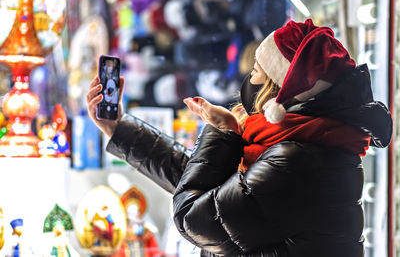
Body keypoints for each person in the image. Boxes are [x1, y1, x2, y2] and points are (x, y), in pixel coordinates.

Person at [86, 19, 392, 257]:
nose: (250, 80)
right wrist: (119, 129)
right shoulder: (303, 145)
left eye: (258, 71)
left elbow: (193, 217)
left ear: (280, 93)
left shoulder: (296, 161)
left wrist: (224, 133)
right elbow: (211, 190)